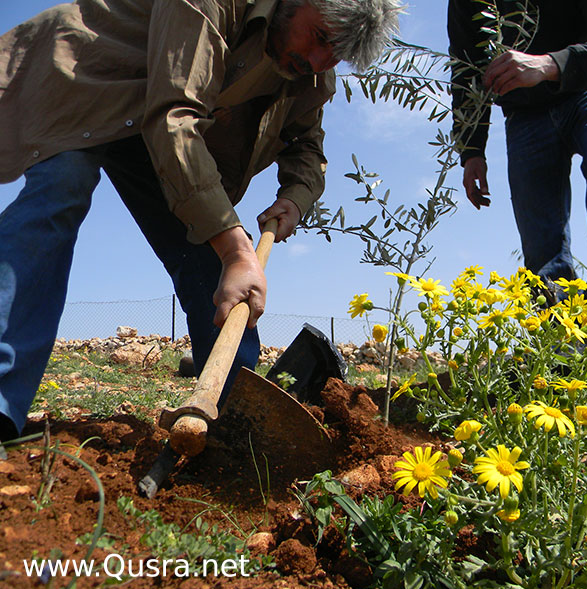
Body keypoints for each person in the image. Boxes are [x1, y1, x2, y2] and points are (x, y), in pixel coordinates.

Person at [0, 0, 402, 443]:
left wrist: (294, 198)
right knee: (60, 190)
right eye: (321, 38)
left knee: (214, 262)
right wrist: (234, 247)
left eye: (336, 54)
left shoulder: (311, 72)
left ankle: (230, 421)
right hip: (92, 76)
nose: (318, 60)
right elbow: (174, 115)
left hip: (162, 128)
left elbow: (306, 144)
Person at [448, 0, 587, 305]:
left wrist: (549, 65)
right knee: (541, 246)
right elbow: (467, 67)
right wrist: (472, 149)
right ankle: (555, 330)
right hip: (525, 113)